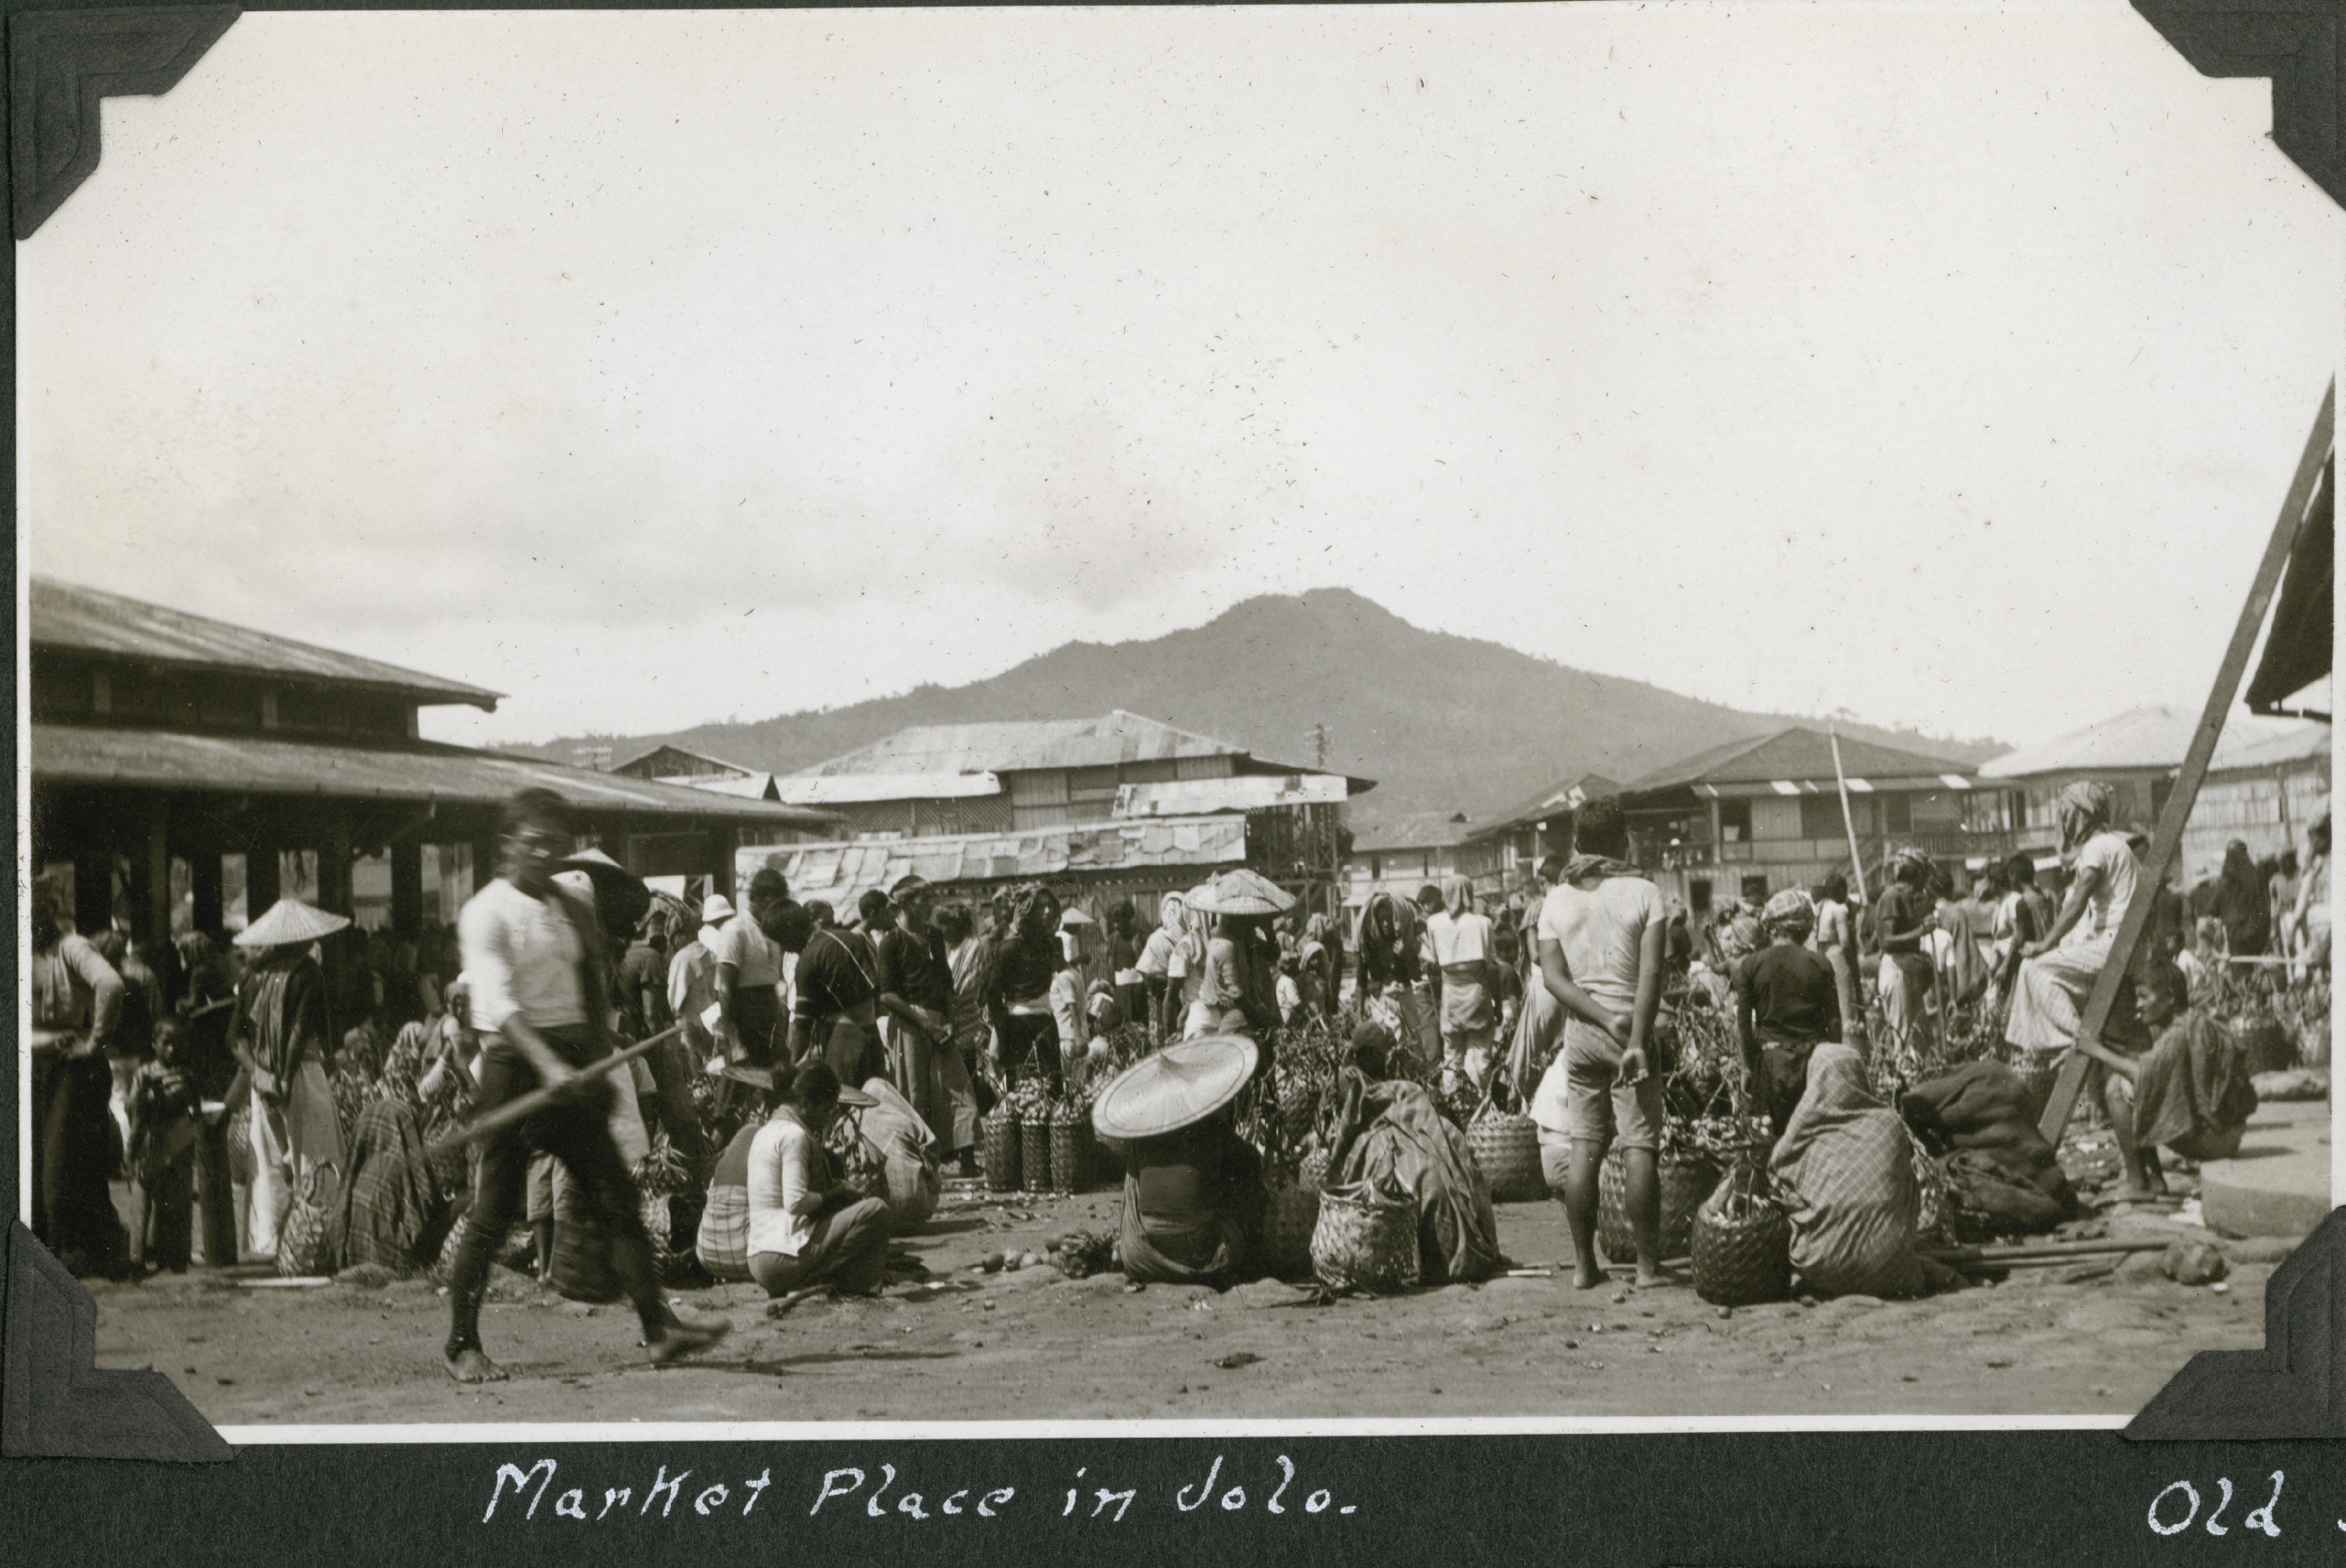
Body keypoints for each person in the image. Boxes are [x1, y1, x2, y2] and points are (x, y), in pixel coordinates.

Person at [441, 788, 729, 1383]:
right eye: (534, 841)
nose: (545, 852)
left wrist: (597, 1058)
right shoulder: (486, 911)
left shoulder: (567, 905)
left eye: (555, 842)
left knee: (616, 1196)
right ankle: (462, 1344)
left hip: (576, 1065)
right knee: (494, 1209)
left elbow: (589, 992)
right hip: (516, 1068)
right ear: (509, 844)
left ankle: (660, 1330)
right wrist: (549, 1066)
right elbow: (500, 1003)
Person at [1531, 797, 1669, 1289]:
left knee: (1585, 1146)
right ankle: (1648, 1267)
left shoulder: (1556, 900)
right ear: (1622, 839)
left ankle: (1585, 1267)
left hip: (1584, 1035)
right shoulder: (1645, 892)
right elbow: (1652, 973)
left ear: (1577, 844)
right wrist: (1630, 1034)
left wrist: (1600, 1018)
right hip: (1631, 1030)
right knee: (1639, 1145)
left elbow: (1553, 978)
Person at [231, 899, 351, 1263]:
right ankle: (317, 1241)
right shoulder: (308, 971)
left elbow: (236, 1038)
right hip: (300, 1075)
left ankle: (268, 1242)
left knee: (266, 1164)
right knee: (316, 1157)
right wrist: (282, 1077)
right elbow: (299, 1031)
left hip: (261, 1078)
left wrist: (259, 1074)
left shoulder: (252, 978)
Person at [1768, 1043, 1929, 1298]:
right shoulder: (1889, 1123)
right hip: (1889, 1263)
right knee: (1906, 1182)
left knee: (1787, 1197)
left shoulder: (1803, 1128)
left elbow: (1775, 1170)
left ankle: (1832, 1257)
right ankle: (1888, 1253)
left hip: (1819, 1263)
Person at [2006, 782, 2142, 1064]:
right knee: (2034, 970)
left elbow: (2077, 902)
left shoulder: (2097, 847)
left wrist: (2046, 943)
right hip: (2117, 946)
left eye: (2067, 814)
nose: (2065, 821)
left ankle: (2075, 1040)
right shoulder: (2112, 844)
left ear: (2079, 815)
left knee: (2037, 968)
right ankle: (2036, 1046)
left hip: (2111, 947)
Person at [746, 1063, 893, 1298]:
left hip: (757, 1258)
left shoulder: (765, 1132)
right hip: (781, 1257)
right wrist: (838, 1193)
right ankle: (846, 1286)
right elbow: (795, 1202)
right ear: (806, 1104)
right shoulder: (794, 1135)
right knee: (877, 1210)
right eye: (825, 1111)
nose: (826, 1121)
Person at [875, 875, 979, 1177]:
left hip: (938, 1020)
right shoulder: (891, 942)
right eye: (924, 900)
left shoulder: (933, 936)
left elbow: (945, 981)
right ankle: (923, 1163)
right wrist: (924, 1023)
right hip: (909, 1022)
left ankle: (967, 1159)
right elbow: (888, 995)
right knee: (915, 1094)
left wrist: (946, 1021)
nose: (930, 906)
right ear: (905, 903)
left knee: (959, 1088)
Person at [1734, 890, 1843, 1144]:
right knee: (1812, 1140)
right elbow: (1834, 1021)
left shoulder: (1751, 965)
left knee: (1771, 1142)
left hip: (1771, 1064)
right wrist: (1832, 1061)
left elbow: (1744, 1025)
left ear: (1771, 927)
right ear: (1805, 929)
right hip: (1813, 1063)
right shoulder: (1819, 963)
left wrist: (1752, 1066)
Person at [128, 1015, 203, 1273]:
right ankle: (136, 1258)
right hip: (150, 1143)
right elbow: (135, 1112)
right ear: (154, 1044)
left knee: (178, 1202)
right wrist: (132, 1149)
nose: (173, 1050)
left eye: (178, 1044)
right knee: (142, 1201)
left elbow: (196, 1109)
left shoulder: (186, 1075)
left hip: (178, 1144)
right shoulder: (144, 1074)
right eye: (167, 1043)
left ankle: (176, 1257)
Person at [984, 885, 1066, 1092]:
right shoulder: (1009, 948)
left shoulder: (1050, 946)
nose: (1047, 911)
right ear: (1027, 911)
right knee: (1024, 1092)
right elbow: (993, 995)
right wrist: (1004, 1033)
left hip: (1046, 1023)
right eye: (1040, 907)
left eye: (1050, 906)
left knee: (1053, 1087)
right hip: (1018, 1027)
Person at [1424, 875, 1501, 1096]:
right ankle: (1483, 1100)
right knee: (1481, 1053)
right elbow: (1492, 968)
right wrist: (1496, 1003)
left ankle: (1453, 1102)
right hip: (1477, 992)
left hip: (1450, 995)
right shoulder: (1483, 923)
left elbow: (1434, 961)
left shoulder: (1434, 923)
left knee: (1452, 1055)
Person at [714, 872, 788, 1073]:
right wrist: (734, 1041)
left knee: (774, 1081)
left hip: (770, 1018)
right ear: (756, 899)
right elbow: (724, 990)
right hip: (744, 1018)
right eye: (773, 901)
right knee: (740, 1085)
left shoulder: (772, 932)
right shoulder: (735, 930)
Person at [1872, 850, 1938, 1048]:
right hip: (1895, 969)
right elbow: (1887, 941)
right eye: (1925, 875)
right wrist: (1921, 930)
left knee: (1919, 1031)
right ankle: (1903, 1075)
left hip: (1907, 967)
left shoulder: (1907, 897)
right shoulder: (1891, 897)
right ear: (1916, 874)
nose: (1926, 881)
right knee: (1902, 1031)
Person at [1811, 872, 1862, 1047]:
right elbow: (1845, 941)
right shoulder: (1839, 909)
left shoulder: (1822, 907)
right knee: (1845, 1001)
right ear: (1842, 890)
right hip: (1837, 953)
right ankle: (1849, 1044)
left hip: (1821, 953)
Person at [1135, 894, 1185, 1043]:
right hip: (1180, 996)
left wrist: (1168, 978)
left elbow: (1146, 972)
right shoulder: (1191, 938)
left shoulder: (1156, 938)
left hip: (1165, 995)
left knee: (1168, 1037)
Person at [2212, 840, 2271, 961]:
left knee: (2240, 971)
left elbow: (2213, 908)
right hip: (2258, 934)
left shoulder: (2225, 881)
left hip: (2236, 937)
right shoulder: (2257, 876)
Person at [2297, 814, 2332, 973]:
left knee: (2319, 963)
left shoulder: (2317, 864)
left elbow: (2303, 896)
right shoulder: (2317, 863)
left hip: (2323, 919)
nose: (2312, 844)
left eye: (2314, 839)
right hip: (2325, 918)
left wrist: (2297, 920)